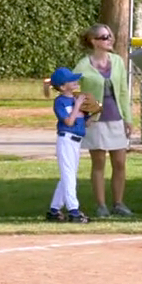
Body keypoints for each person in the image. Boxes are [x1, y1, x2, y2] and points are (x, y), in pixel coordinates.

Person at [74, 23, 134, 217]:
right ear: (94, 41)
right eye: (104, 37)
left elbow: (123, 91)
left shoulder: (117, 61)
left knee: (120, 163)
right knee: (98, 163)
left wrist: (127, 118)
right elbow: (75, 90)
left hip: (116, 117)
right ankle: (101, 205)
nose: (109, 40)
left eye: (110, 36)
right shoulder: (83, 64)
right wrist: (85, 113)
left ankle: (118, 203)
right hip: (96, 121)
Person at [45, 67, 91, 224]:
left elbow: (87, 123)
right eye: (72, 81)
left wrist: (90, 110)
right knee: (69, 176)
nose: (76, 82)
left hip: (77, 141)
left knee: (68, 175)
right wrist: (78, 106)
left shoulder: (75, 99)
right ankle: (74, 211)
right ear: (63, 87)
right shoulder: (60, 102)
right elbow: (69, 122)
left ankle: (54, 210)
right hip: (66, 140)